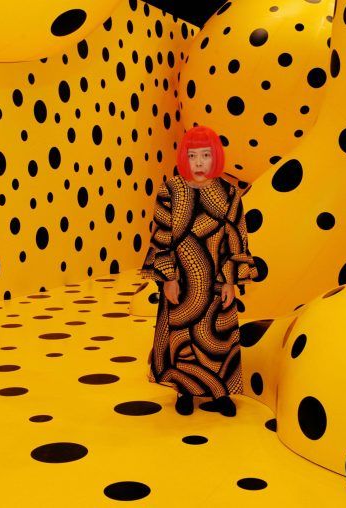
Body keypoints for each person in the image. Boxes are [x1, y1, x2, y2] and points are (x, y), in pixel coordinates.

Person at [139, 125, 259, 417]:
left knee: (219, 335)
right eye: (193, 156)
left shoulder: (229, 193)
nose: (199, 162)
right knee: (181, 336)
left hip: (216, 278)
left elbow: (236, 238)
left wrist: (230, 281)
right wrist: (168, 278)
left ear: (215, 156)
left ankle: (220, 392)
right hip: (181, 280)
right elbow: (162, 235)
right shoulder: (170, 191)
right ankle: (184, 391)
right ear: (184, 158)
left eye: (206, 155)